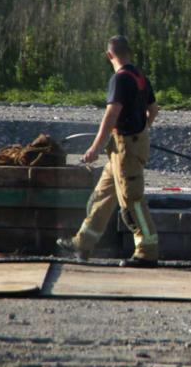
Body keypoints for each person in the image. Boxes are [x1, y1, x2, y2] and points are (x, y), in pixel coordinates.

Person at [57, 35, 161, 267]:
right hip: (125, 147)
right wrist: (141, 130)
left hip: (125, 149)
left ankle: (147, 251)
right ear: (129, 52)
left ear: (109, 55)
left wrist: (94, 147)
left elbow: (111, 114)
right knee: (102, 195)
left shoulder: (120, 79)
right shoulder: (139, 76)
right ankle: (83, 243)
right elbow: (153, 110)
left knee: (131, 201)